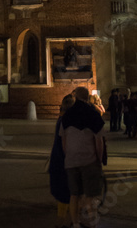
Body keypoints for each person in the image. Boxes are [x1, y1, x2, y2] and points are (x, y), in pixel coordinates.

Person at [60, 85, 106, 227]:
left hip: (71, 161)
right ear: (87, 97)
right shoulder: (93, 114)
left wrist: (68, 156)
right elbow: (99, 142)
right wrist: (99, 158)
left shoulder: (67, 115)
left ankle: (75, 223)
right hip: (89, 161)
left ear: (76, 97)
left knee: (74, 195)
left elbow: (63, 141)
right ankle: (92, 223)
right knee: (90, 196)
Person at [49, 94, 74, 228]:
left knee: (63, 194)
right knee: (69, 192)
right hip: (65, 161)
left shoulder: (61, 119)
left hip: (57, 160)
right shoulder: (67, 121)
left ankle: (63, 221)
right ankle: (68, 221)